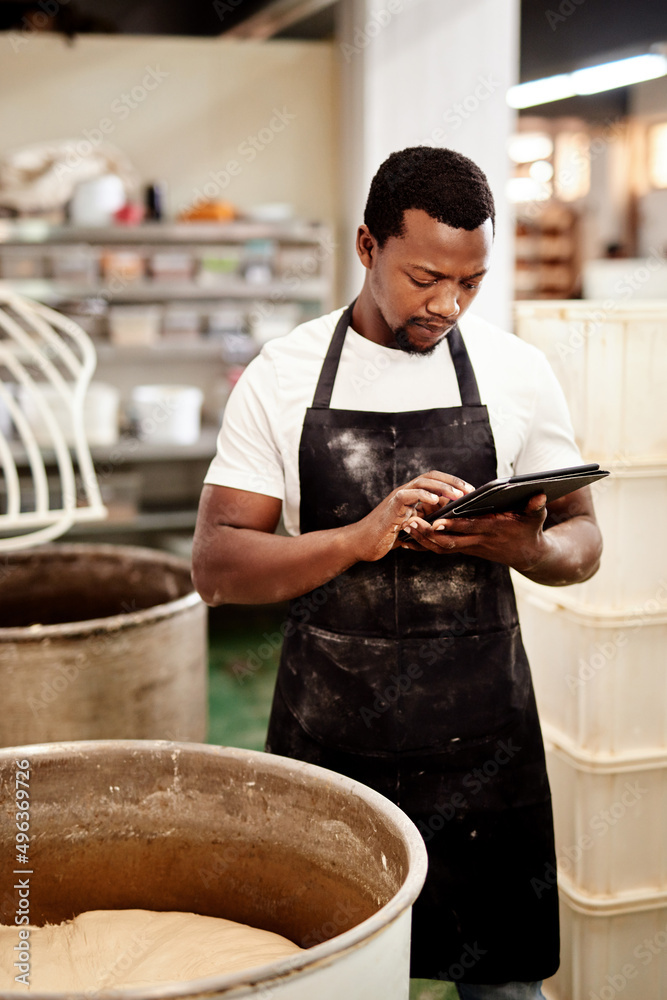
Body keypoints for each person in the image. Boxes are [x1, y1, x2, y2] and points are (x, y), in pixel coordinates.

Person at [192, 146, 602, 1000]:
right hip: (334, 738)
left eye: (470, 282)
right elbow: (219, 567)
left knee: (503, 983)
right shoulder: (283, 375)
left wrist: (521, 549)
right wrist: (356, 536)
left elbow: (582, 544)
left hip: (483, 746)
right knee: (333, 976)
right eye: (423, 278)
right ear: (366, 247)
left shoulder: (516, 372)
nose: (446, 305)